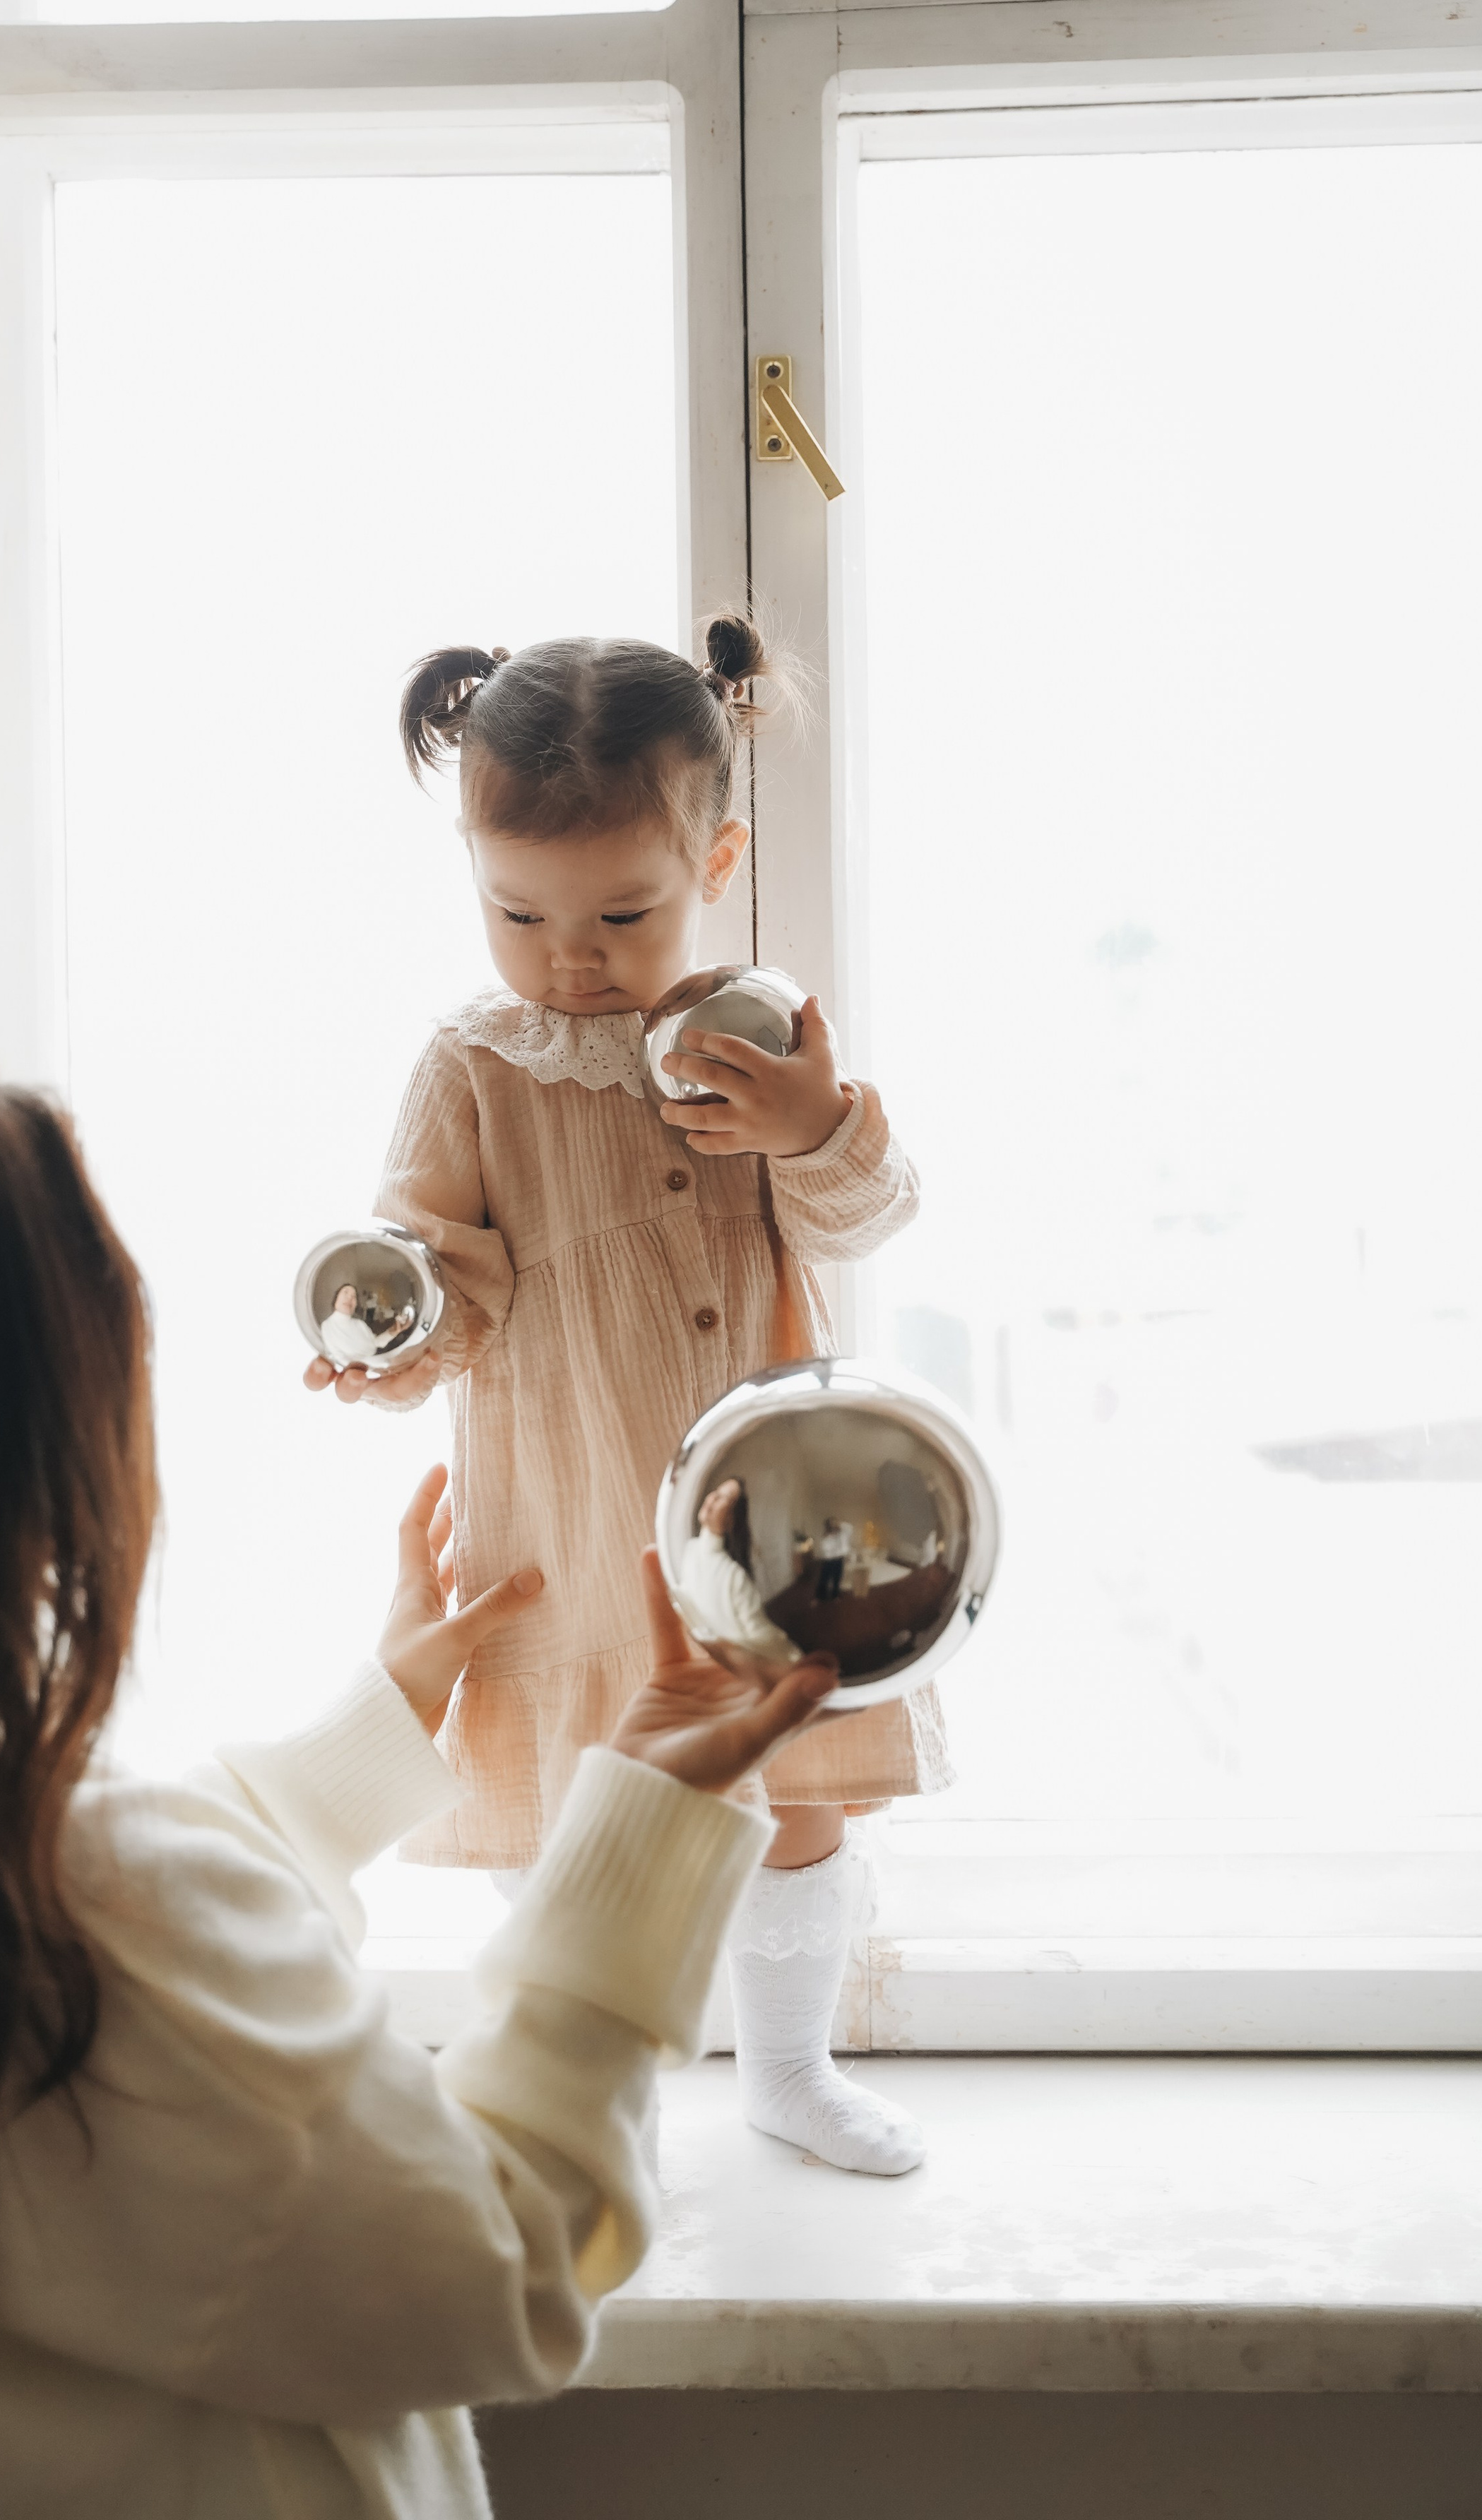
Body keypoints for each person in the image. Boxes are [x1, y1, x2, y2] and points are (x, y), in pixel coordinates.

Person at [0, 1028, 838, 2520]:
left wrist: (379, 1726)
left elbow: (119, 1894)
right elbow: (501, 2258)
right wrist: (638, 1829)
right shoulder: (85, 1939)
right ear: (36, 1455)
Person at [304, 621, 951, 2178]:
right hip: (567, 1507)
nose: (568, 954)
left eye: (620, 910)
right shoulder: (476, 1062)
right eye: (515, 910)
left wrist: (816, 1125)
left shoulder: (755, 1038)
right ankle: (582, 2105)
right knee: (565, 1833)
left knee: (792, 1809)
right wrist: (384, 1332)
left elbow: (863, 1223)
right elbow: (440, 1283)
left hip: (768, 1511)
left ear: (715, 859)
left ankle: (788, 2071)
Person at [677, 1477, 800, 1670]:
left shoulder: (732, 1575)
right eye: (716, 1492)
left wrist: (795, 1657)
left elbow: (761, 1637)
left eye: (723, 1497)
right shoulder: (689, 1550)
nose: (713, 1498)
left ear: (730, 1520)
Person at [320, 1278, 415, 1369]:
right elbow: (339, 1358)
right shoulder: (327, 1326)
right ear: (336, 1299)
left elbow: (376, 1343)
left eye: (354, 1296)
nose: (350, 1298)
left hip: (378, 1361)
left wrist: (396, 1330)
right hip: (358, 1372)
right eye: (346, 1292)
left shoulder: (360, 1324)